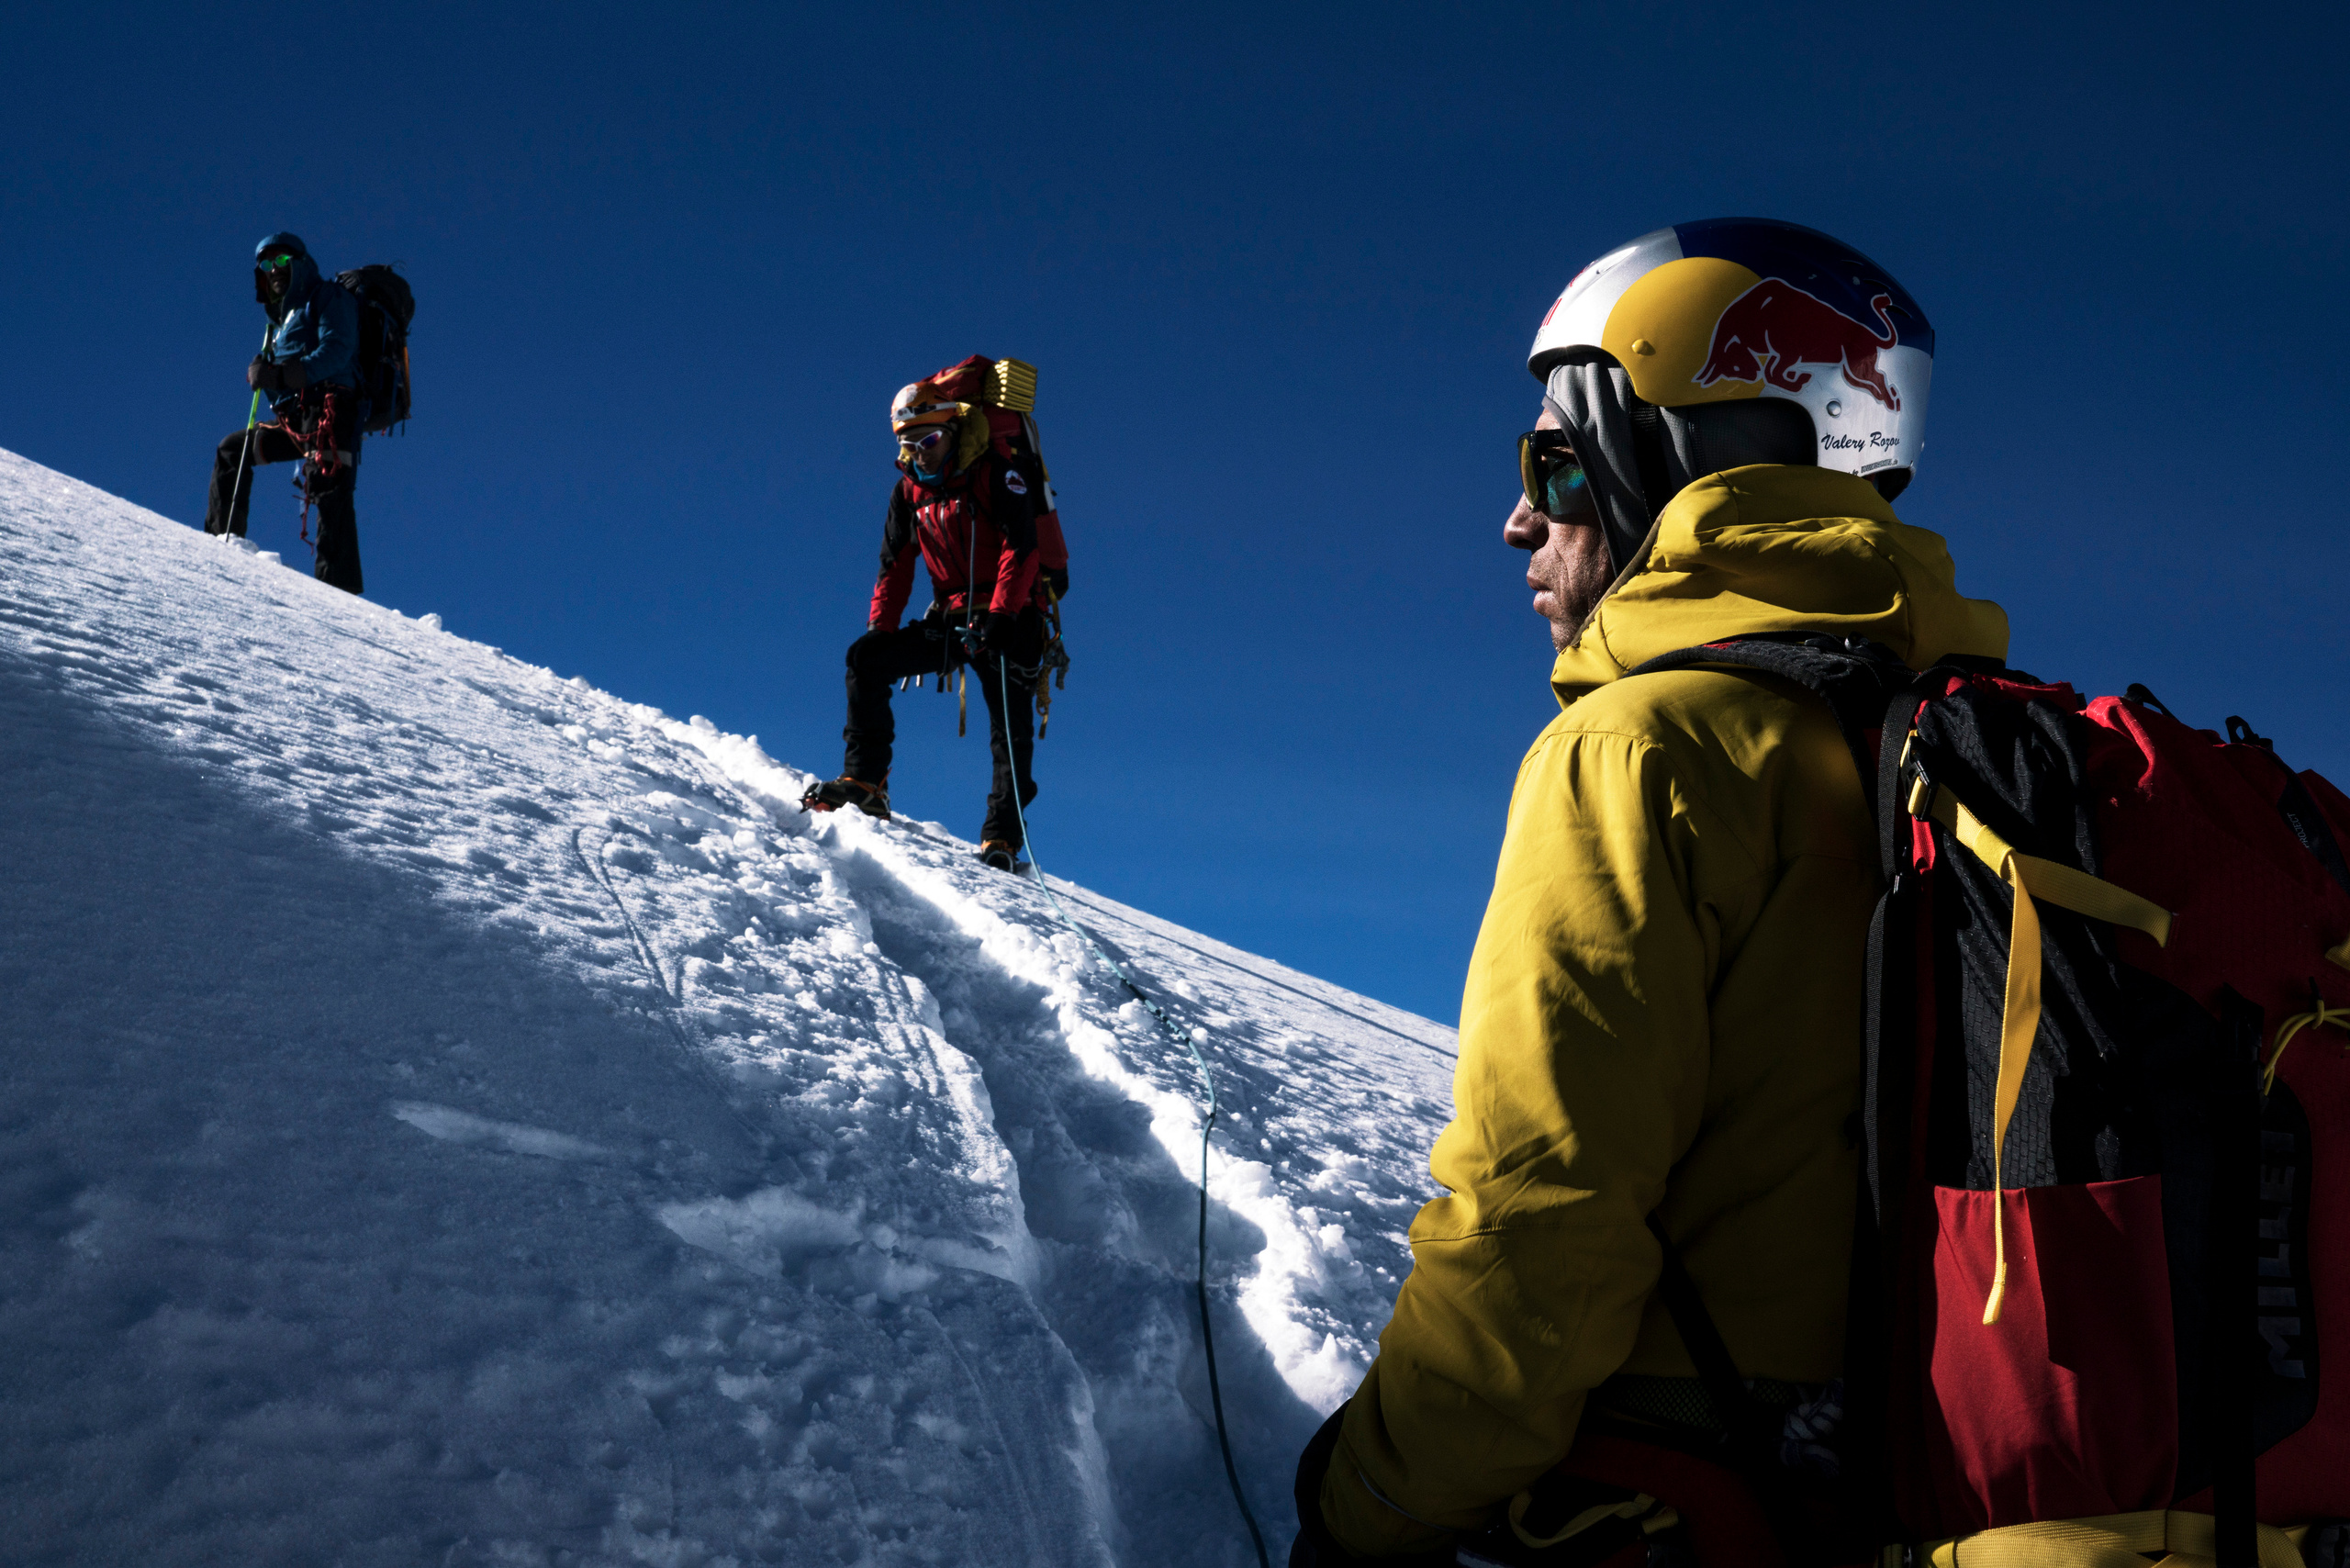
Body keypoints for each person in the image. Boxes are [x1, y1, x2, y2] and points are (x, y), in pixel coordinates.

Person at [1291, 219, 2009, 1563]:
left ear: (1676, 454)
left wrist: (1370, 1503)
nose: (1519, 520)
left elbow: (1536, 1227)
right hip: (1966, 1483)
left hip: (1697, 1490)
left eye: (1554, 464)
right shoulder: (1977, 756)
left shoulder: (1640, 748)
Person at [800, 375, 1059, 870]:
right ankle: (866, 780)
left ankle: (1001, 837)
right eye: (909, 444)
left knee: (1009, 729)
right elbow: (895, 566)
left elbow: (1021, 548)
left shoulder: (997, 474)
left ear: (954, 432)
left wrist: (1003, 614)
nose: (921, 453)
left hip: (1011, 619)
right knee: (867, 660)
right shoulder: (908, 492)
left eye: (931, 439)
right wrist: (881, 630)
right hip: (953, 618)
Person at [204, 232, 366, 594]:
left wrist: (281, 374)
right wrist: (265, 375)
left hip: (331, 408)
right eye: (266, 263)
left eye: (281, 260)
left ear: (300, 263)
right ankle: (219, 542)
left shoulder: (327, 297)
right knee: (233, 450)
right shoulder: (280, 323)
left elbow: (338, 349)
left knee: (328, 485)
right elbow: (283, 382)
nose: (273, 269)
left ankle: (338, 591)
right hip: (295, 418)